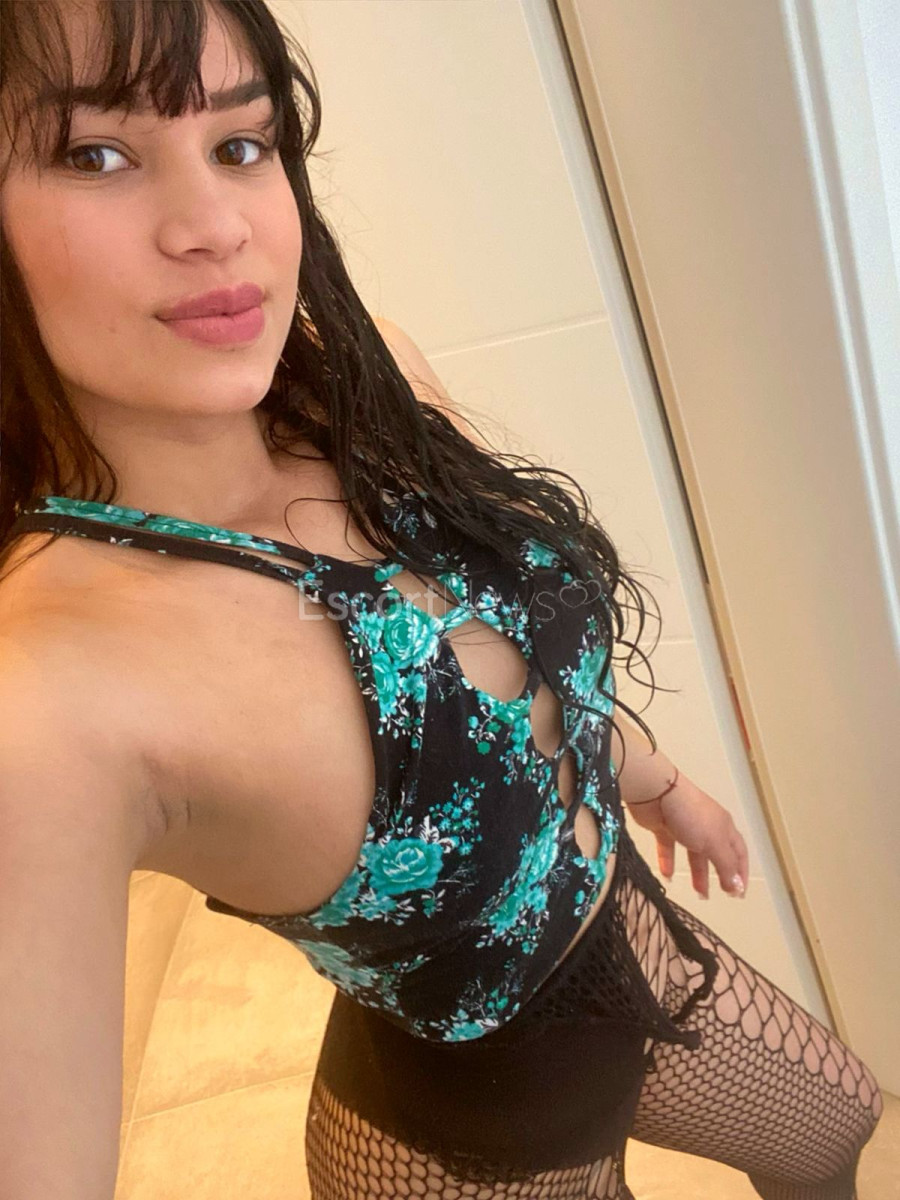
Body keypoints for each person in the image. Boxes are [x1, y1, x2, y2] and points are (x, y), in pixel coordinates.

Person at [0, 2, 883, 1198]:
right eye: (94, 155)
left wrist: (655, 781)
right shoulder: (49, 694)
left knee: (836, 1121)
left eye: (240, 143)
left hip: (629, 936)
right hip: (464, 1147)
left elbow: (502, 654)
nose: (214, 226)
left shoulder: (365, 377)